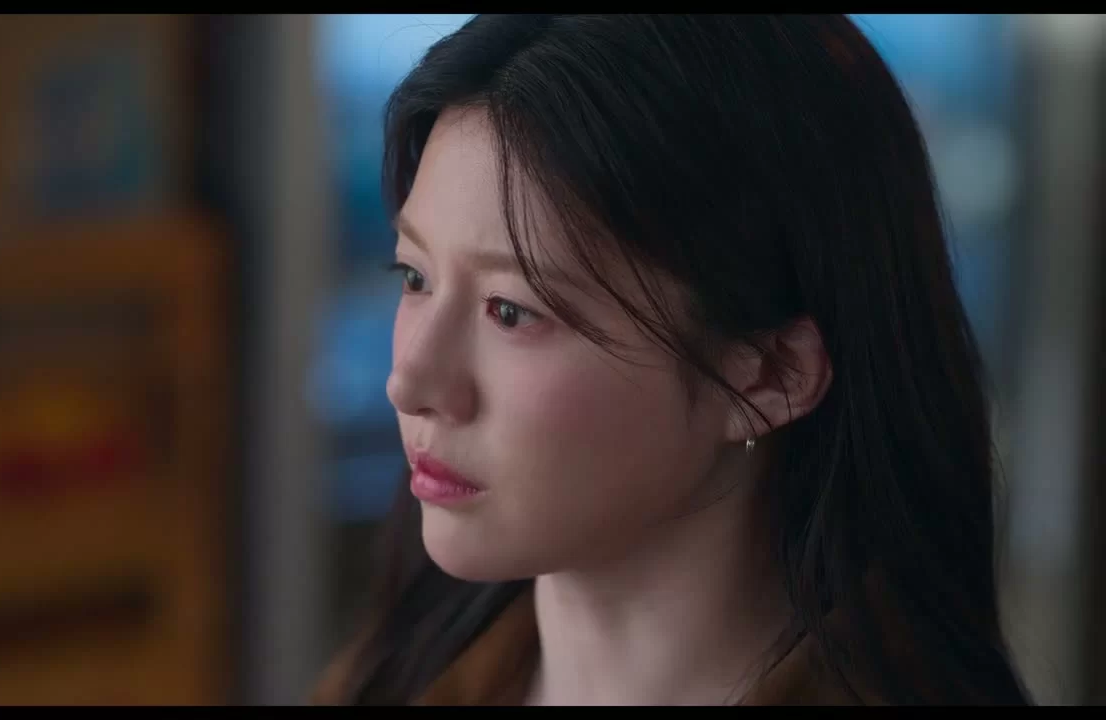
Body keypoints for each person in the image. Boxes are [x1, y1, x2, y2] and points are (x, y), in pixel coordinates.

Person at [312, 14, 1033, 706]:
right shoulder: (385, 684)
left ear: (770, 374)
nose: (409, 381)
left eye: (511, 311)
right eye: (415, 276)